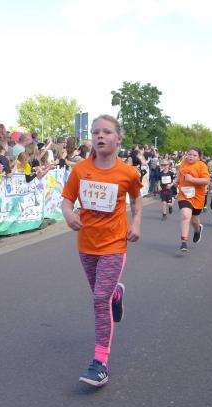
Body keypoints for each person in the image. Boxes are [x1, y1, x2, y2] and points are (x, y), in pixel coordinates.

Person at [61, 114, 142, 388]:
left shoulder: (127, 173)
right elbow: (67, 200)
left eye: (106, 132)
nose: (100, 136)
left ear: (118, 138)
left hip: (114, 244)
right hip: (86, 243)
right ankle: (116, 293)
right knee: (103, 295)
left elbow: (137, 199)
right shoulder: (80, 169)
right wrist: (68, 215)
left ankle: (100, 363)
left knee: (98, 299)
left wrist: (136, 222)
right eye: (96, 132)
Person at [175, 147, 210, 251]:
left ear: (199, 157)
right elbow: (180, 173)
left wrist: (192, 179)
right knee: (185, 215)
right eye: (189, 154)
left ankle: (198, 229)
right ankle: (184, 242)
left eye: (194, 155)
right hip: (184, 195)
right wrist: (176, 181)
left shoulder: (202, 165)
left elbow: (206, 180)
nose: (191, 157)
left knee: (194, 220)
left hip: (197, 196)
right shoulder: (184, 162)